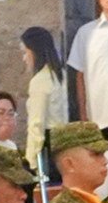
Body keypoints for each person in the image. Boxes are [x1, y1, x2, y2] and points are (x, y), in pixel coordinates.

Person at [15, 27, 75, 155]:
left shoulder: (40, 81)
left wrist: (31, 159)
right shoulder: (61, 75)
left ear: (34, 51)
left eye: (25, 52)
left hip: (48, 145)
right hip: (64, 140)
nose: (24, 58)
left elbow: (37, 125)